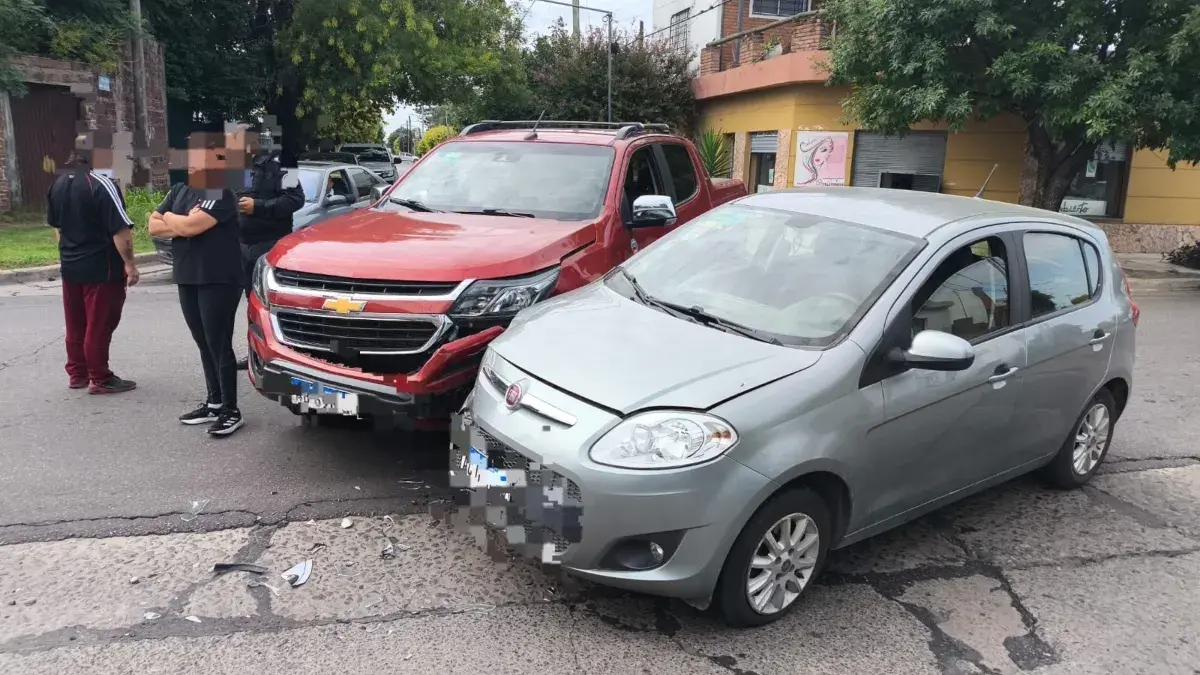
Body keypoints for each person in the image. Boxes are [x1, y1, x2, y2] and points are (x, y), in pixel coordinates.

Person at [147, 131, 245, 436]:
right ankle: (214, 403)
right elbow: (152, 224)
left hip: (218, 278)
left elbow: (189, 227)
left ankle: (231, 409)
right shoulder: (180, 190)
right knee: (202, 342)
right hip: (188, 275)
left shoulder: (221, 192)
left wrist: (175, 222)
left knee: (218, 344)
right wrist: (181, 222)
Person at [47, 135, 140, 394]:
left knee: (75, 323)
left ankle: (77, 373)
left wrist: (68, 252)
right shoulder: (102, 184)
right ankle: (99, 377)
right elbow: (120, 231)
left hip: (71, 266)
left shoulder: (59, 183)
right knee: (99, 324)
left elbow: (58, 228)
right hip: (102, 268)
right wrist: (130, 264)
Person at [234, 144, 304, 370]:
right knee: (251, 301)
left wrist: (258, 206)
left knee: (271, 303)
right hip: (242, 244)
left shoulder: (283, 163)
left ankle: (284, 355)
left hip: (270, 244)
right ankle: (255, 351)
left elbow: (296, 199)